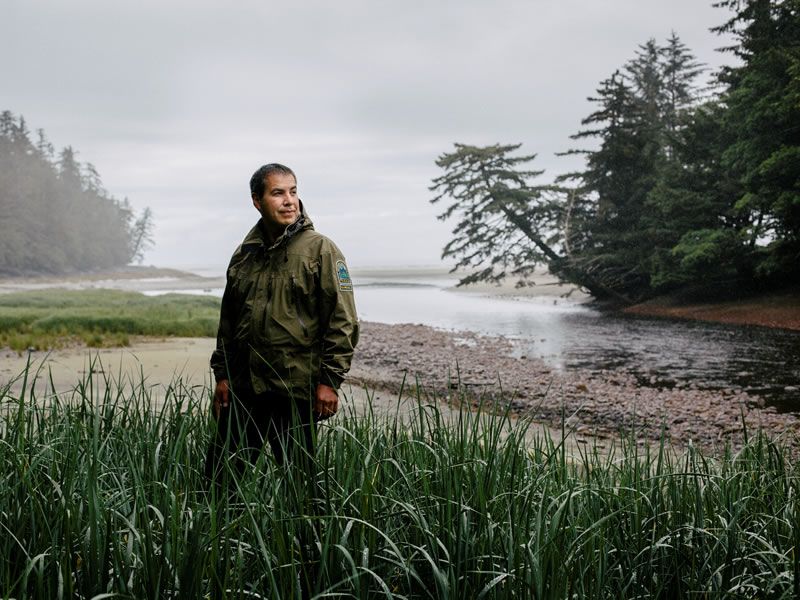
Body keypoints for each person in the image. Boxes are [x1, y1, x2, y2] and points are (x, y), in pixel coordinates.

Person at [205, 162, 359, 481]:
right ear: (256, 200)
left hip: (294, 390)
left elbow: (342, 321)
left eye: (293, 191)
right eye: (278, 193)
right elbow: (228, 323)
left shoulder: (322, 250)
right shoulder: (244, 255)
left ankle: (304, 534)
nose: (289, 201)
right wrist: (222, 375)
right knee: (219, 483)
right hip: (243, 390)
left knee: (299, 488)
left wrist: (330, 382)